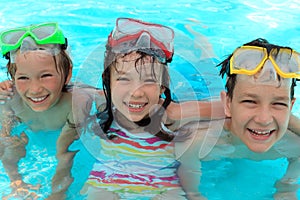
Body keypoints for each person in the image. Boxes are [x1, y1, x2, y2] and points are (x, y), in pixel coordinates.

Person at [176, 38, 300, 199]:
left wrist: (287, 188)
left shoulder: (294, 146)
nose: (264, 119)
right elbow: (188, 173)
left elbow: (294, 170)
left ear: (290, 107)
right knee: (207, 65)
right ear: (227, 104)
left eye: (278, 104)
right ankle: (203, 44)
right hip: (201, 89)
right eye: (250, 101)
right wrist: (194, 194)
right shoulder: (197, 141)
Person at [0, 22, 96, 199]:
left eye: (46, 76)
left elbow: (65, 154)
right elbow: (4, 144)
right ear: (12, 78)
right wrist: (16, 181)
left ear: (67, 75)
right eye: (23, 78)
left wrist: (57, 194)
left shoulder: (75, 103)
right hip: (28, 137)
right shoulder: (10, 99)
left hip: (65, 137)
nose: (35, 89)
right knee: (10, 144)